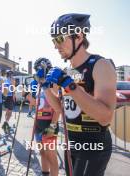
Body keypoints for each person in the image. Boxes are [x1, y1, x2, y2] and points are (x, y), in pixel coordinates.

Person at [44, 13, 116, 176]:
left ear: (78, 35)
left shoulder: (100, 65)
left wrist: (70, 85)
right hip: (72, 143)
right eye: (53, 41)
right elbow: (61, 109)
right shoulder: (68, 71)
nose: (56, 46)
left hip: (93, 145)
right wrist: (45, 86)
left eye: (59, 39)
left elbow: (105, 116)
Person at [33, 57, 60, 176]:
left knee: (52, 158)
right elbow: (38, 104)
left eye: (38, 70)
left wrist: (52, 126)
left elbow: (58, 108)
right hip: (39, 123)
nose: (37, 73)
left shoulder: (53, 82)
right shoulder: (39, 83)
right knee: (42, 153)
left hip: (50, 124)